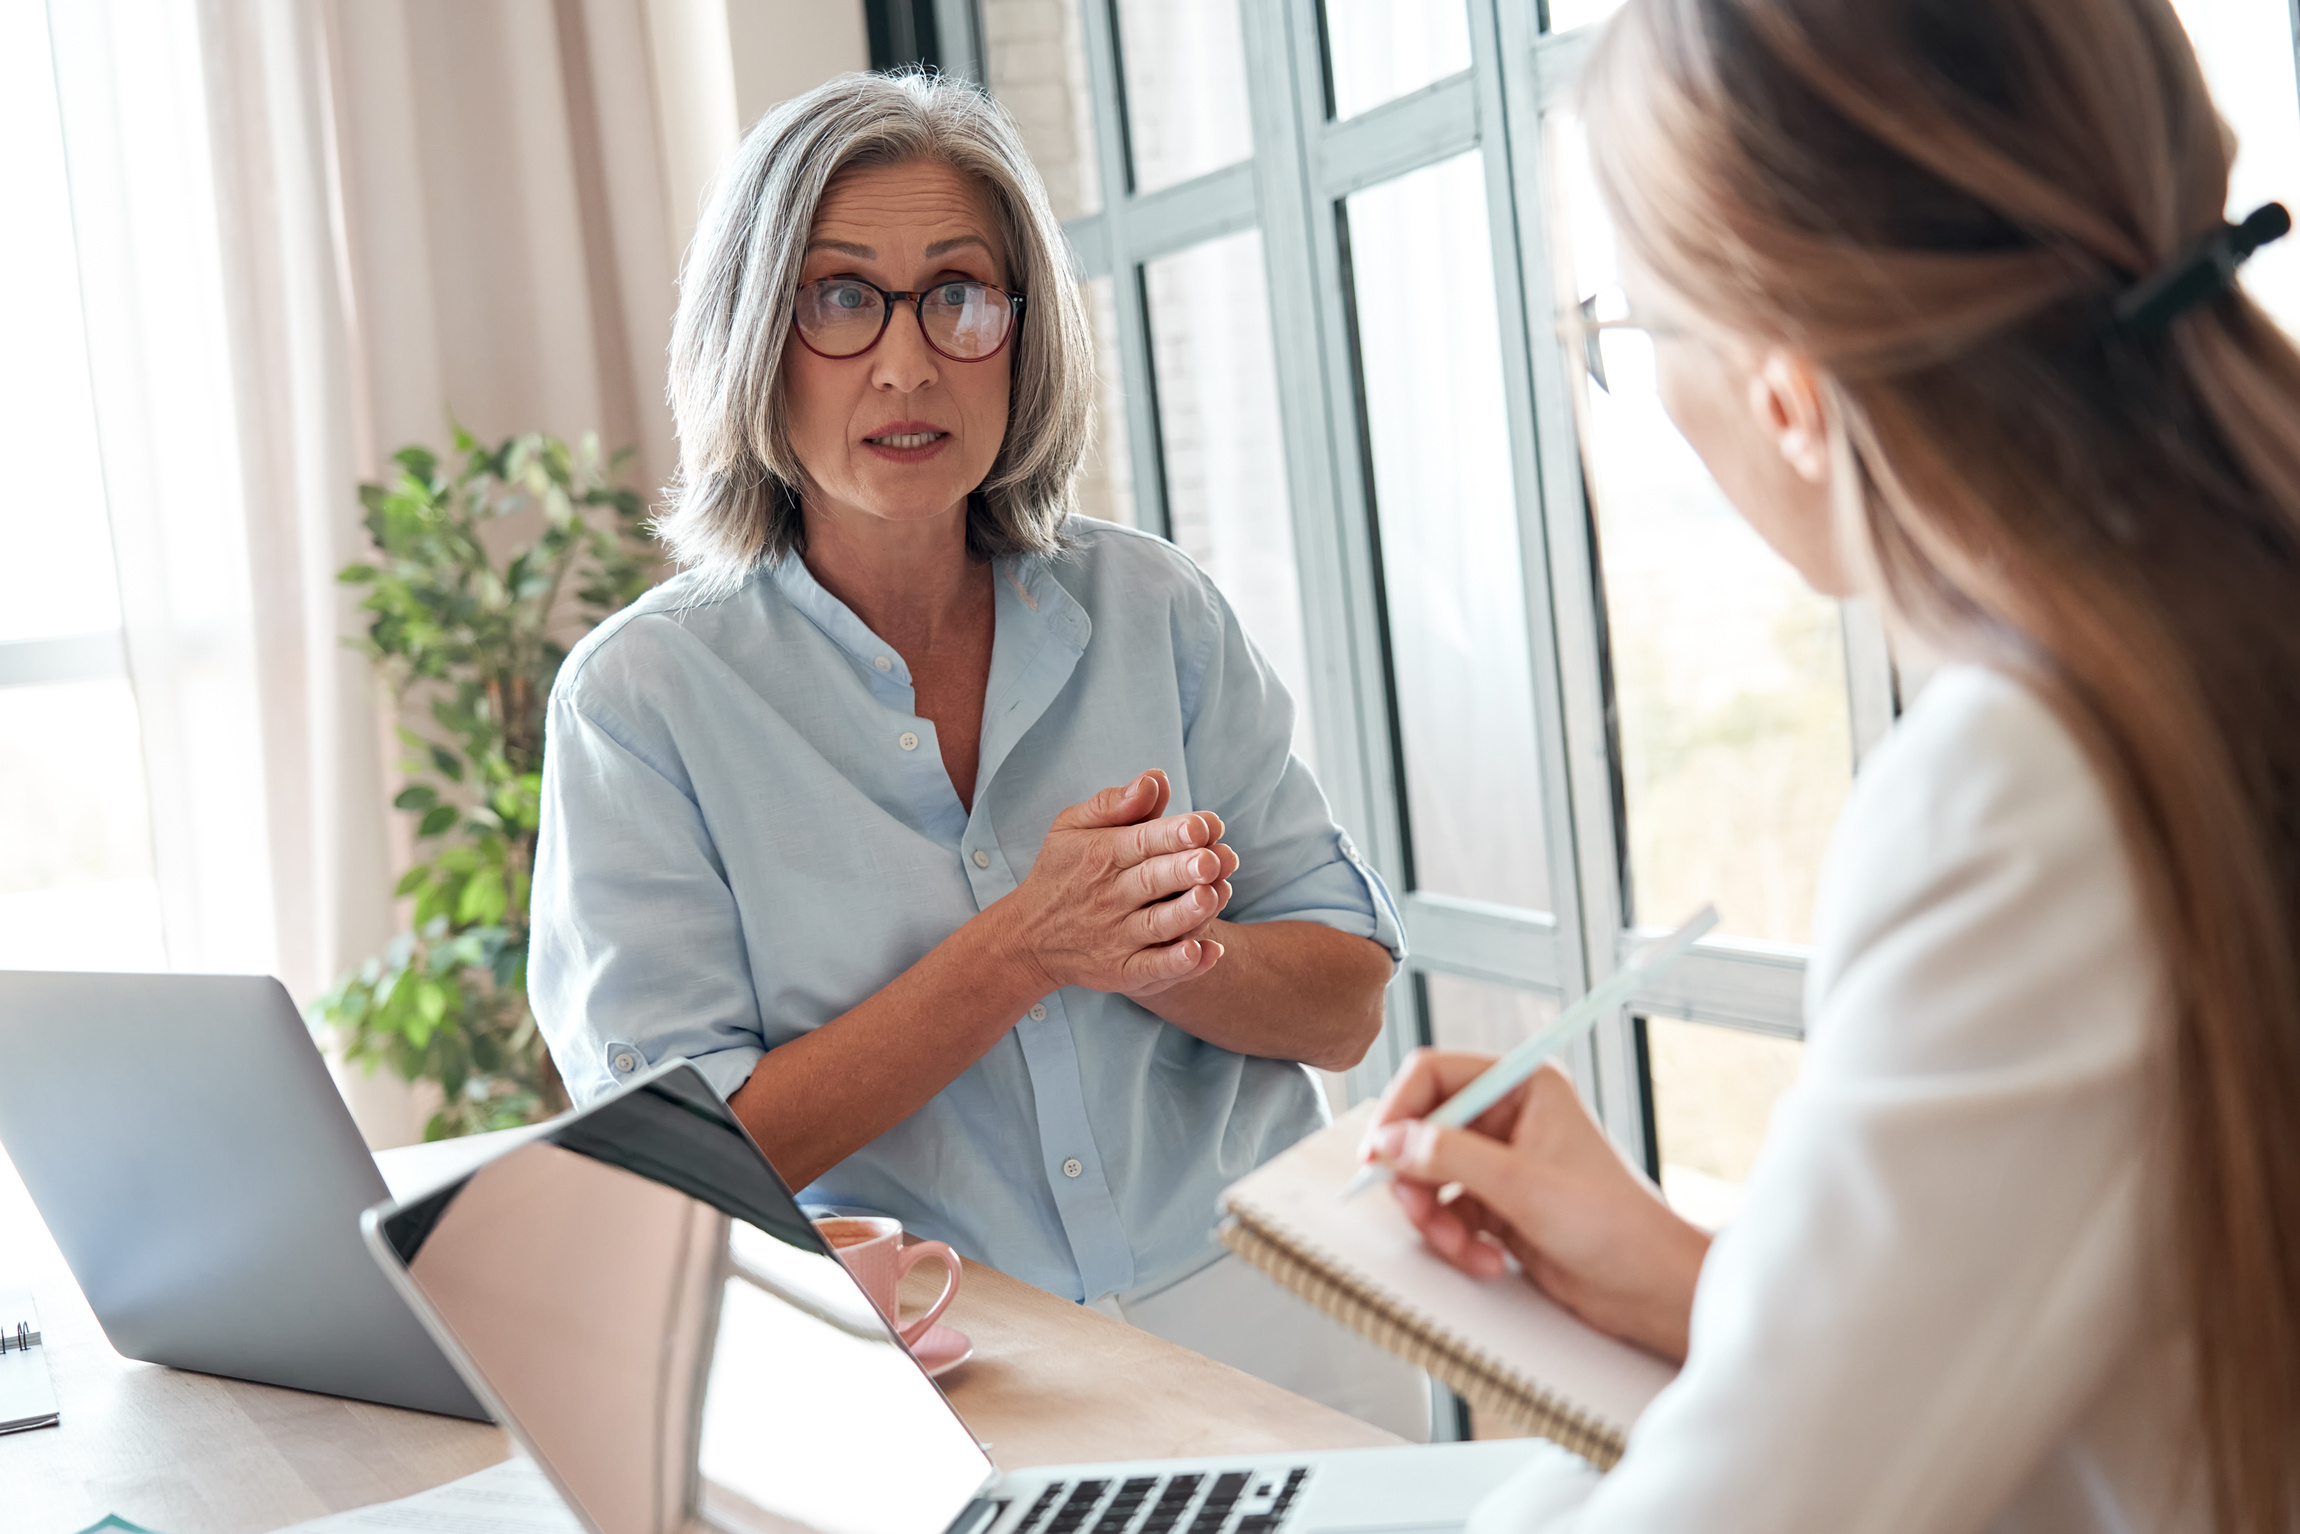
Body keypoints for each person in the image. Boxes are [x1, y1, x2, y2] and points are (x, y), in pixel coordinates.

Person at [1356, 0, 2300, 1528]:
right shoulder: (2223, 655)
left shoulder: (2030, 793)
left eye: (1635, 330)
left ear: (1789, 394)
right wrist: (1684, 1274)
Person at [527, 71, 1427, 1435]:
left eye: (961, 294)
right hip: (942, 1386)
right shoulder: (641, 703)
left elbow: (1344, 995)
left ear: (1021, 333)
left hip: (1285, 1334)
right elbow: (692, 1160)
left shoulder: (1154, 610)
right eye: (839, 298)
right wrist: (1028, 945)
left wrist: (1165, 949)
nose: (908, 362)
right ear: (752, 338)